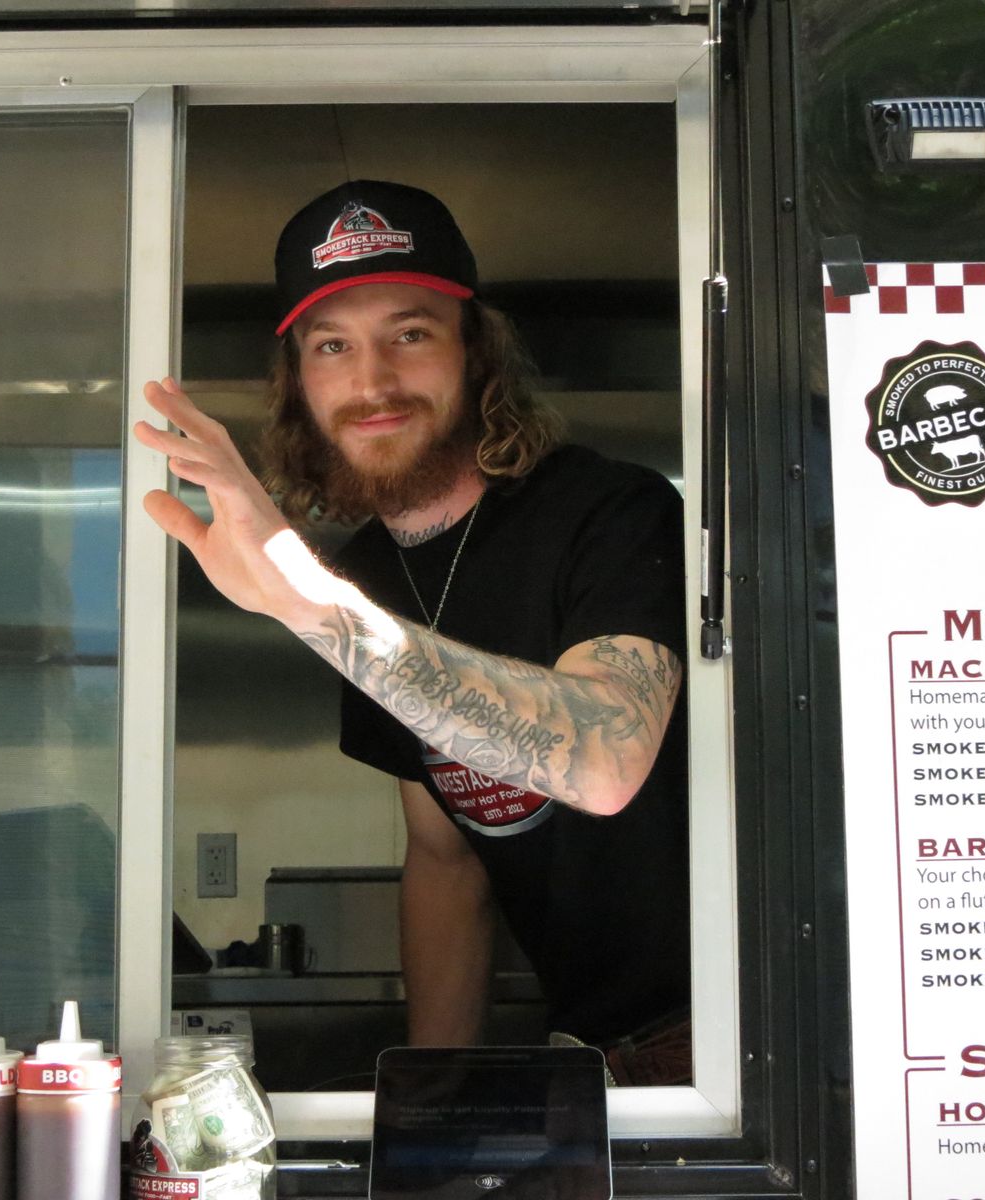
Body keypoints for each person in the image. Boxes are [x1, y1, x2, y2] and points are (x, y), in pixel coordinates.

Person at [135, 180, 691, 1085]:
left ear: (477, 351)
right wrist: (432, 1102)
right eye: (332, 346)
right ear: (298, 383)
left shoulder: (613, 513)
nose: (373, 382)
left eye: (411, 334)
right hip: (593, 1054)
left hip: (719, 1044)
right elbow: (445, 859)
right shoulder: (369, 576)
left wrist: (314, 607)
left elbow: (604, 762)